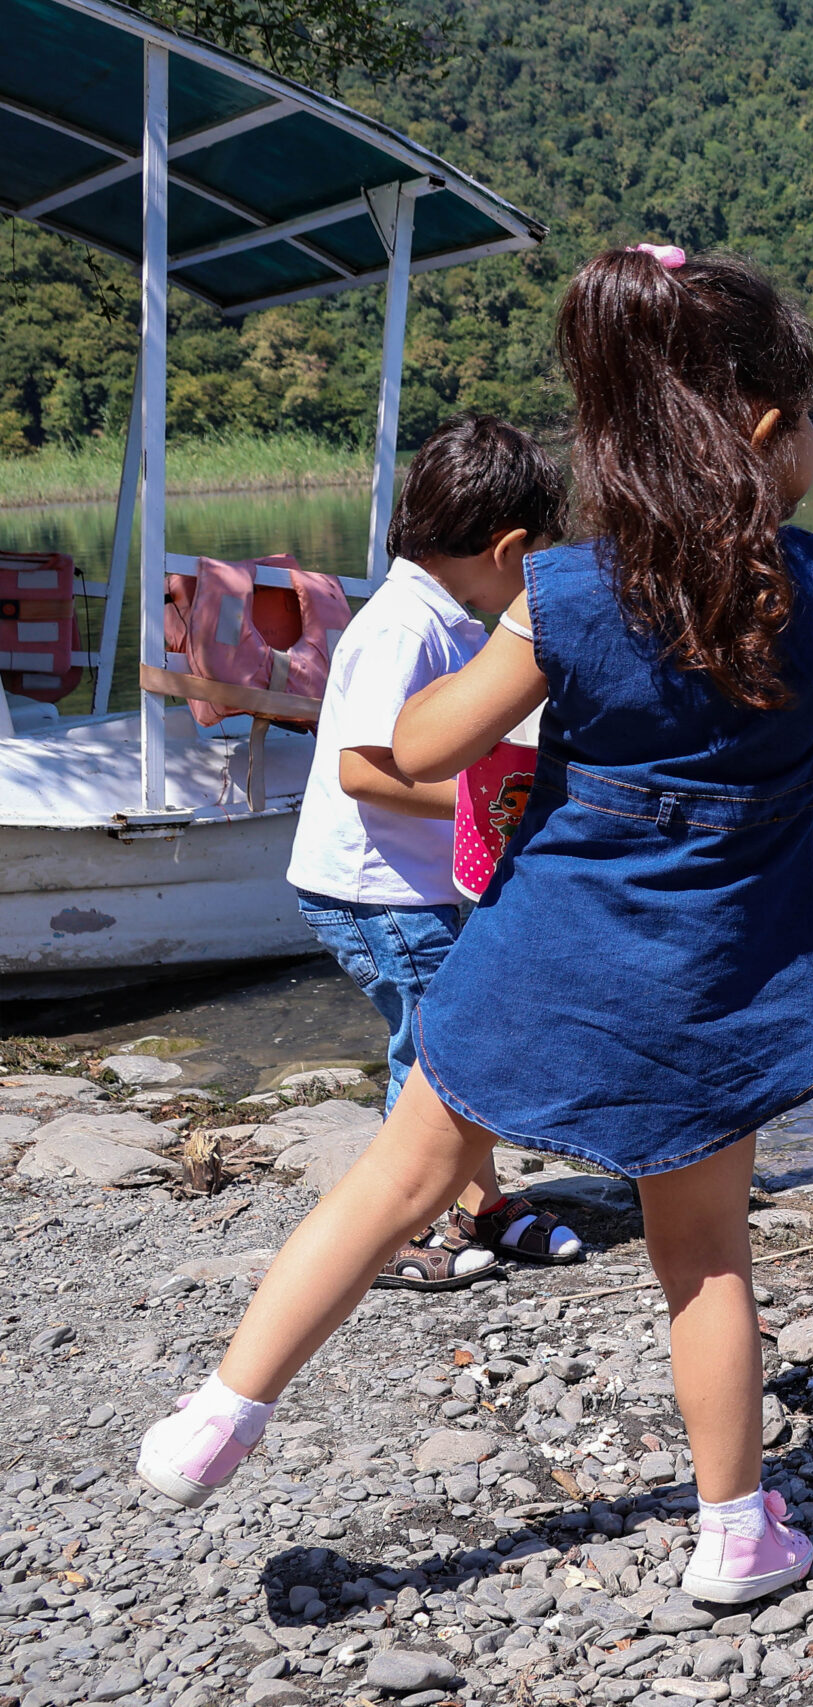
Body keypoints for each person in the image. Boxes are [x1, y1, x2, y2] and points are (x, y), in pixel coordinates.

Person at [138, 244, 813, 1603]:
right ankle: (733, 1533)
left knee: (395, 1180)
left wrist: (499, 685)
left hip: (541, 948)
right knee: (706, 1255)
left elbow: (414, 750)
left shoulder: (565, 597)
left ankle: (221, 1412)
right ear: (768, 435)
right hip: (715, 975)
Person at [283, 414, 588, 1291]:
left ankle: (476, 1204)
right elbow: (361, 771)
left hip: (405, 886)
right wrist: (484, 800)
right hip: (371, 890)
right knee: (437, 1051)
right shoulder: (401, 627)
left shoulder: (446, 618)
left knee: (452, 1039)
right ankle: (408, 1225)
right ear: (511, 547)